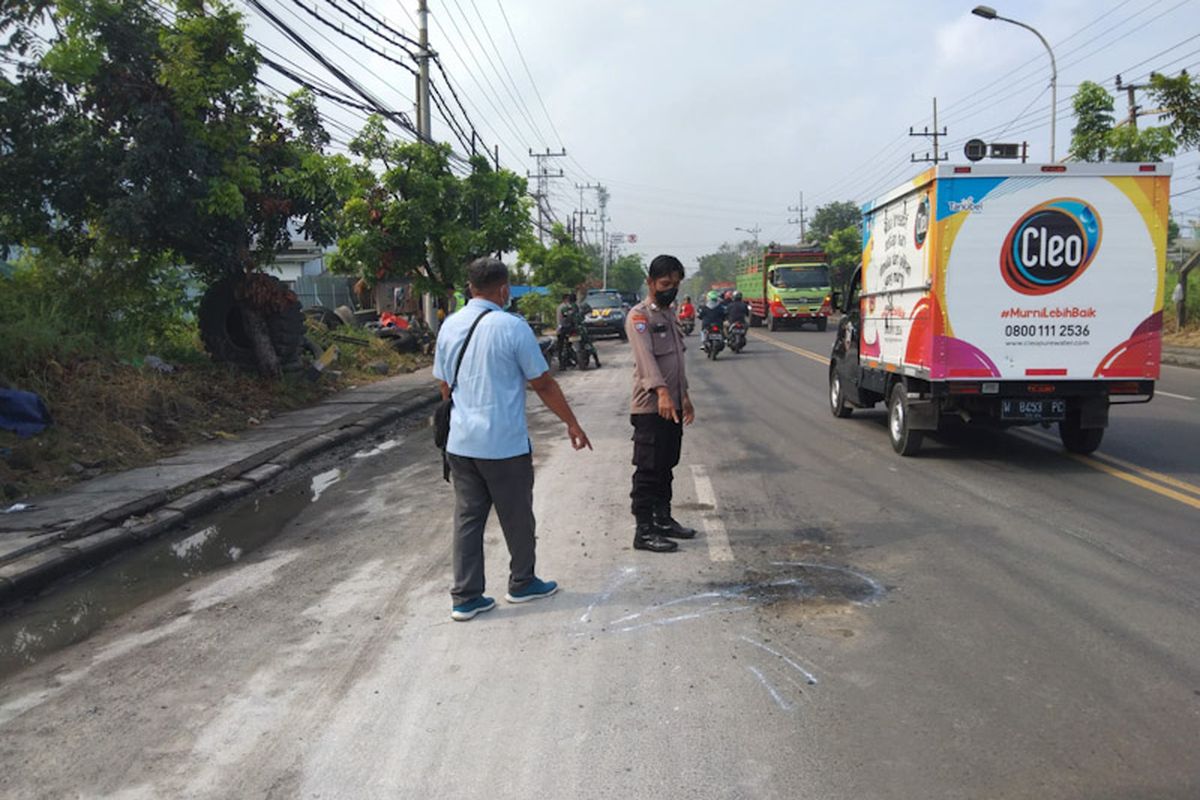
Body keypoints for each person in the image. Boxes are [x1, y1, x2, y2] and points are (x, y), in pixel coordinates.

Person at [434, 257, 592, 621]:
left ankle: (466, 597)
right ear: (504, 289)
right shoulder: (513, 327)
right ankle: (522, 583)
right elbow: (542, 383)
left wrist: (464, 420)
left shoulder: (450, 326)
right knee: (517, 515)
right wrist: (572, 423)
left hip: (460, 444)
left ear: (470, 288)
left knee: (468, 519)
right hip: (503, 444)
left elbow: (444, 385)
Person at [626, 255, 697, 554]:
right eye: (665, 284)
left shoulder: (669, 314)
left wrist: (684, 397)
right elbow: (646, 360)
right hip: (651, 407)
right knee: (648, 468)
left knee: (667, 464)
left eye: (675, 284)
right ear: (651, 282)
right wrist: (664, 393)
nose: (670, 289)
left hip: (674, 405)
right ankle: (643, 531)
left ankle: (663, 519)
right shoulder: (639, 316)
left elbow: (676, 361)